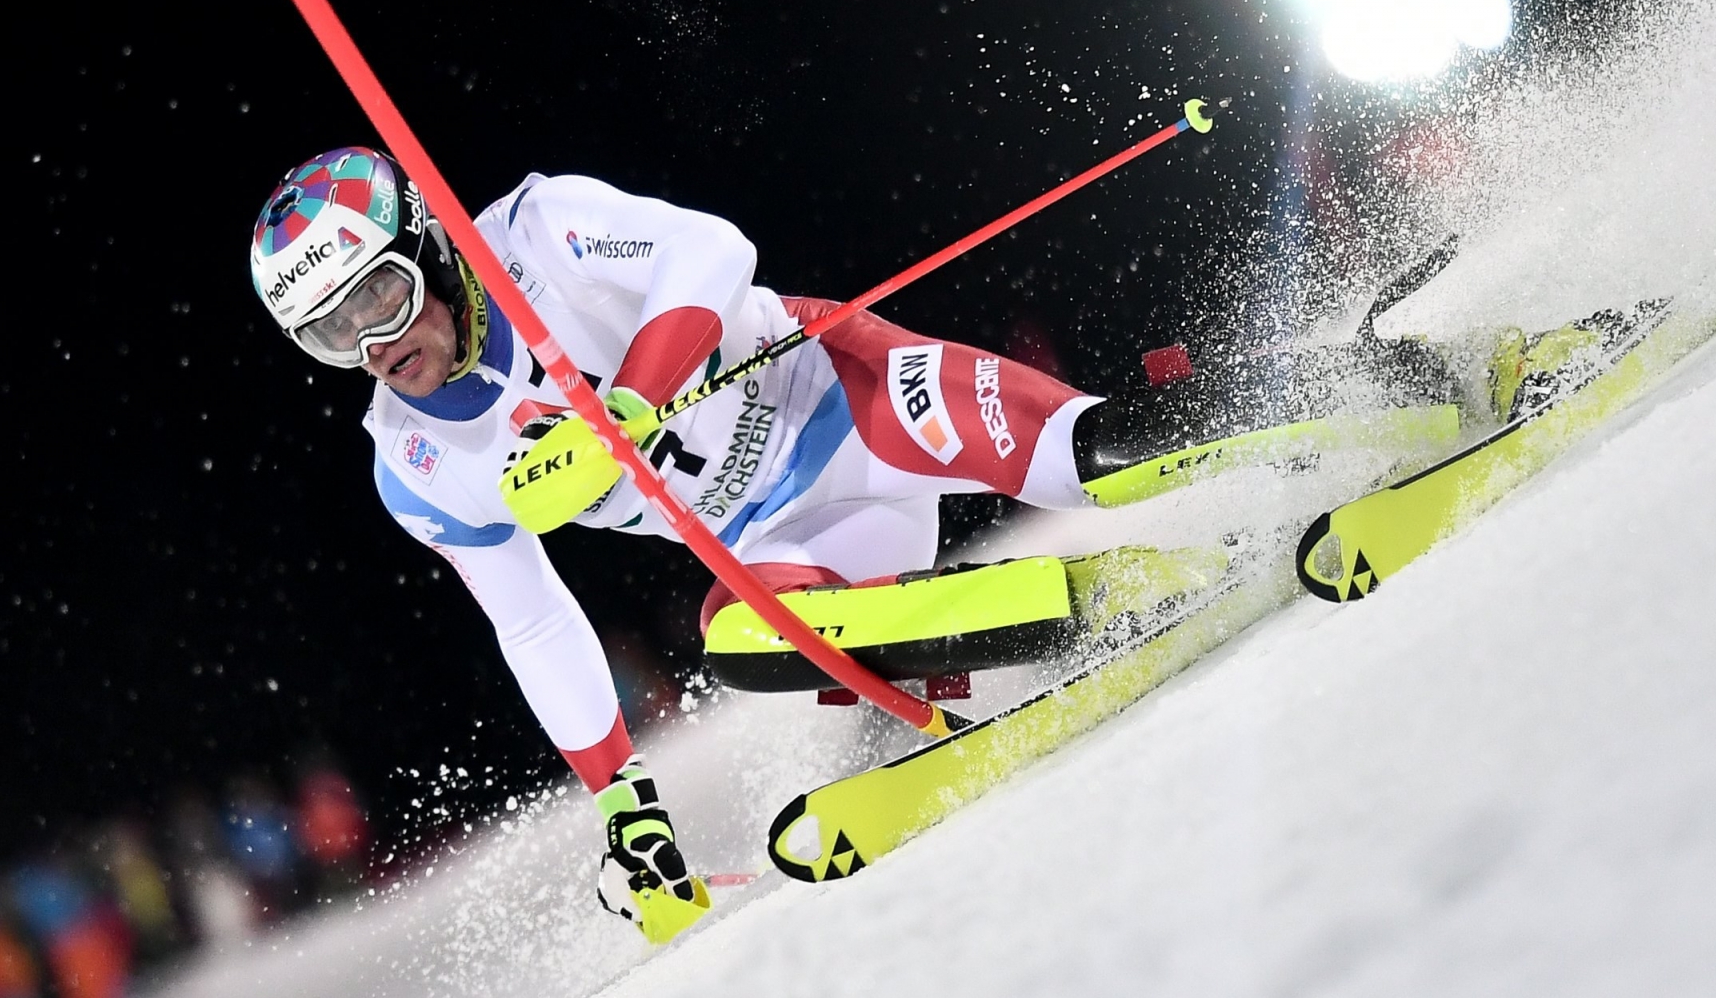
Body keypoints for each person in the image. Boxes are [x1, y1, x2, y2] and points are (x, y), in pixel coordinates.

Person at [247, 146, 1463, 934]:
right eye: (326, 333)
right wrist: (625, 802)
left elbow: (713, 253)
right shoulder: (414, 461)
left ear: (433, 249)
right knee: (745, 638)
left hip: (852, 395)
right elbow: (530, 615)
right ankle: (1126, 593)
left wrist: (633, 398)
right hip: (778, 534)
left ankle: (1412, 376)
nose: (373, 342)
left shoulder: (539, 235)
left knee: (1099, 457)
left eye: (381, 296)